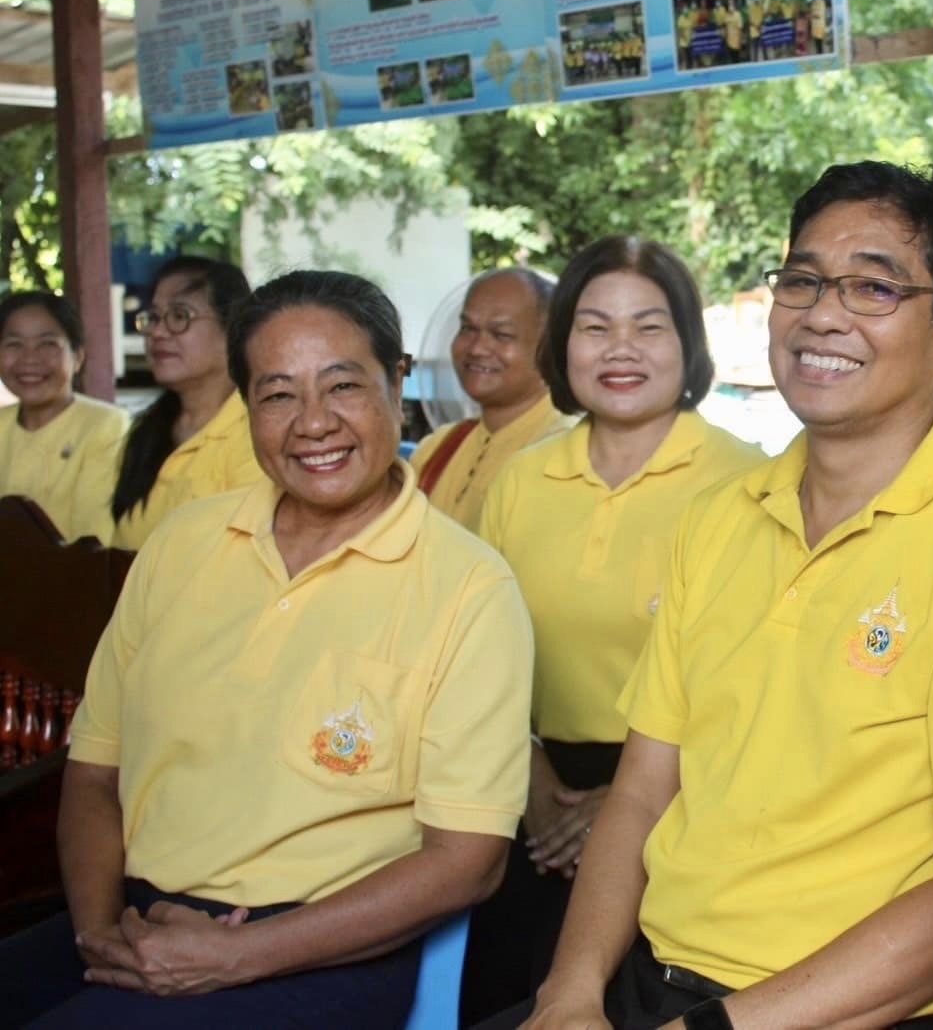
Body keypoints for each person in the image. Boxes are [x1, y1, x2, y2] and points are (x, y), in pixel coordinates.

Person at [514, 162, 933, 1030]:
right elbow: (639, 793)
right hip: (651, 981)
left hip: (845, 1009)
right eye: (802, 279)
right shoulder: (718, 517)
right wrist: (568, 995)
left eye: (873, 286)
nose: (823, 314)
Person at [0, 270, 533, 1028]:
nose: (312, 423)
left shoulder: (468, 588)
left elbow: (468, 862)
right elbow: (92, 773)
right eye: (278, 394)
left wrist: (236, 956)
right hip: (137, 917)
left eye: (342, 386)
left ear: (396, 379)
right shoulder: (184, 543)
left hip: (321, 946)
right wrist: (100, 933)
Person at [463, 236, 764, 1024]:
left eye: (648, 326)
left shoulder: (746, 482)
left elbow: (752, 686)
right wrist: (531, 783)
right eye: (595, 327)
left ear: (687, 344)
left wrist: (620, 803)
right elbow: (479, 659)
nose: (620, 349)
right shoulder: (521, 478)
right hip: (527, 795)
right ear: (561, 345)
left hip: (683, 800)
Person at [111, 256, 262, 550]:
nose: (157, 332)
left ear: (232, 327)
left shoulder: (257, 433)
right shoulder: (146, 432)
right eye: (153, 317)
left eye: (180, 316)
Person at [409, 268, 571, 532]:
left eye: (501, 335)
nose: (476, 348)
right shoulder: (440, 447)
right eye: (468, 328)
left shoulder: (567, 451)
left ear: (549, 347)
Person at [0, 291, 127, 543]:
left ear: (78, 356)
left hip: (70, 578)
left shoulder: (105, 426)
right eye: (14, 344)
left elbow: (92, 540)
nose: (29, 359)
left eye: (47, 344)